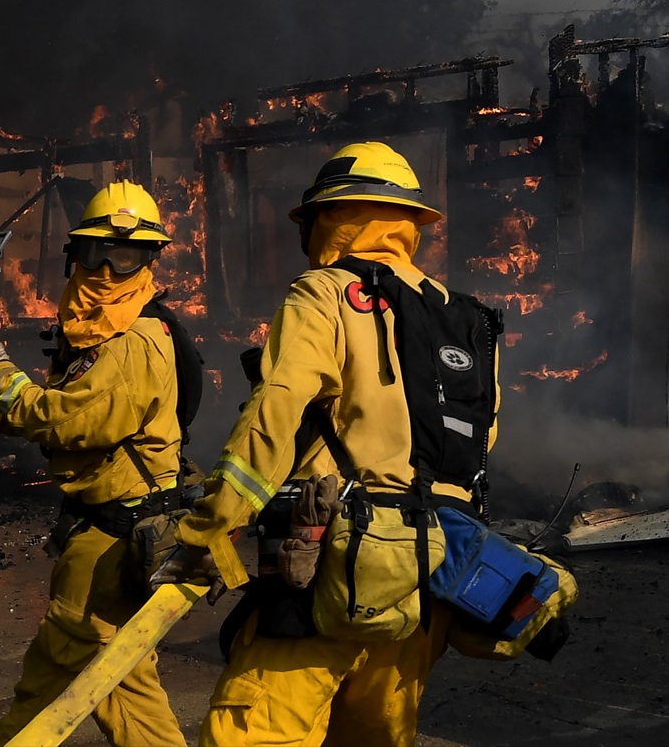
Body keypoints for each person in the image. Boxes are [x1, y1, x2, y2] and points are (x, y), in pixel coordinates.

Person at [151, 142, 503, 747]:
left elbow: (274, 411)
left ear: (330, 219)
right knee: (375, 735)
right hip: (429, 576)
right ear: (409, 223)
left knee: (254, 733)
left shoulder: (325, 293)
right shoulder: (466, 317)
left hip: (331, 567)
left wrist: (210, 527)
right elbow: (482, 439)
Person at [0, 180, 188, 747]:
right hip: (106, 529)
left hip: (114, 539)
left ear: (148, 261)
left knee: (57, 671)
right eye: (96, 253)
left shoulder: (134, 341)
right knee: (121, 678)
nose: (107, 270)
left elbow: (72, 421)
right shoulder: (101, 335)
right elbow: (73, 411)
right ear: (74, 255)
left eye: (125, 257)